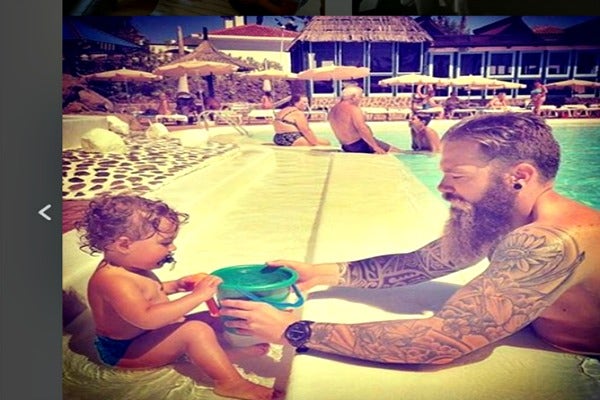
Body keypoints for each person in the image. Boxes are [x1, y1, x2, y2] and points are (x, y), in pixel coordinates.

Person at [219, 113, 600, 364]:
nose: (442, 186)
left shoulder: (550, 242)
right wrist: (320, 273)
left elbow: (439, 341)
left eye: (459, 175)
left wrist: (293, 330)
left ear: (518, 175)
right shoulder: (500, 215)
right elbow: (420, 263)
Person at [76, 194, 274, 400]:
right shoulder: (113, 280)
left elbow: (151, 292)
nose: (173, 248)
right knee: (195, 331)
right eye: (165, 243)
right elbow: (146, 317)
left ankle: (218, 355)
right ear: (124, 245)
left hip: (147, 337)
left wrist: (178, 285)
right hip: (126, 352)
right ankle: (230, 383)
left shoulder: (130, 267)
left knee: (213, 316)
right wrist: (197, 296)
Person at [327, 86, 399, 154]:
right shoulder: (353, 108)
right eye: (360, 96)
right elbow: (362, 128)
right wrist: (375, 147)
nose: (361, 99)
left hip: (346, 146)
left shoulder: (333, 109)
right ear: (353, 97)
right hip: (360, 145)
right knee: (398, 152)